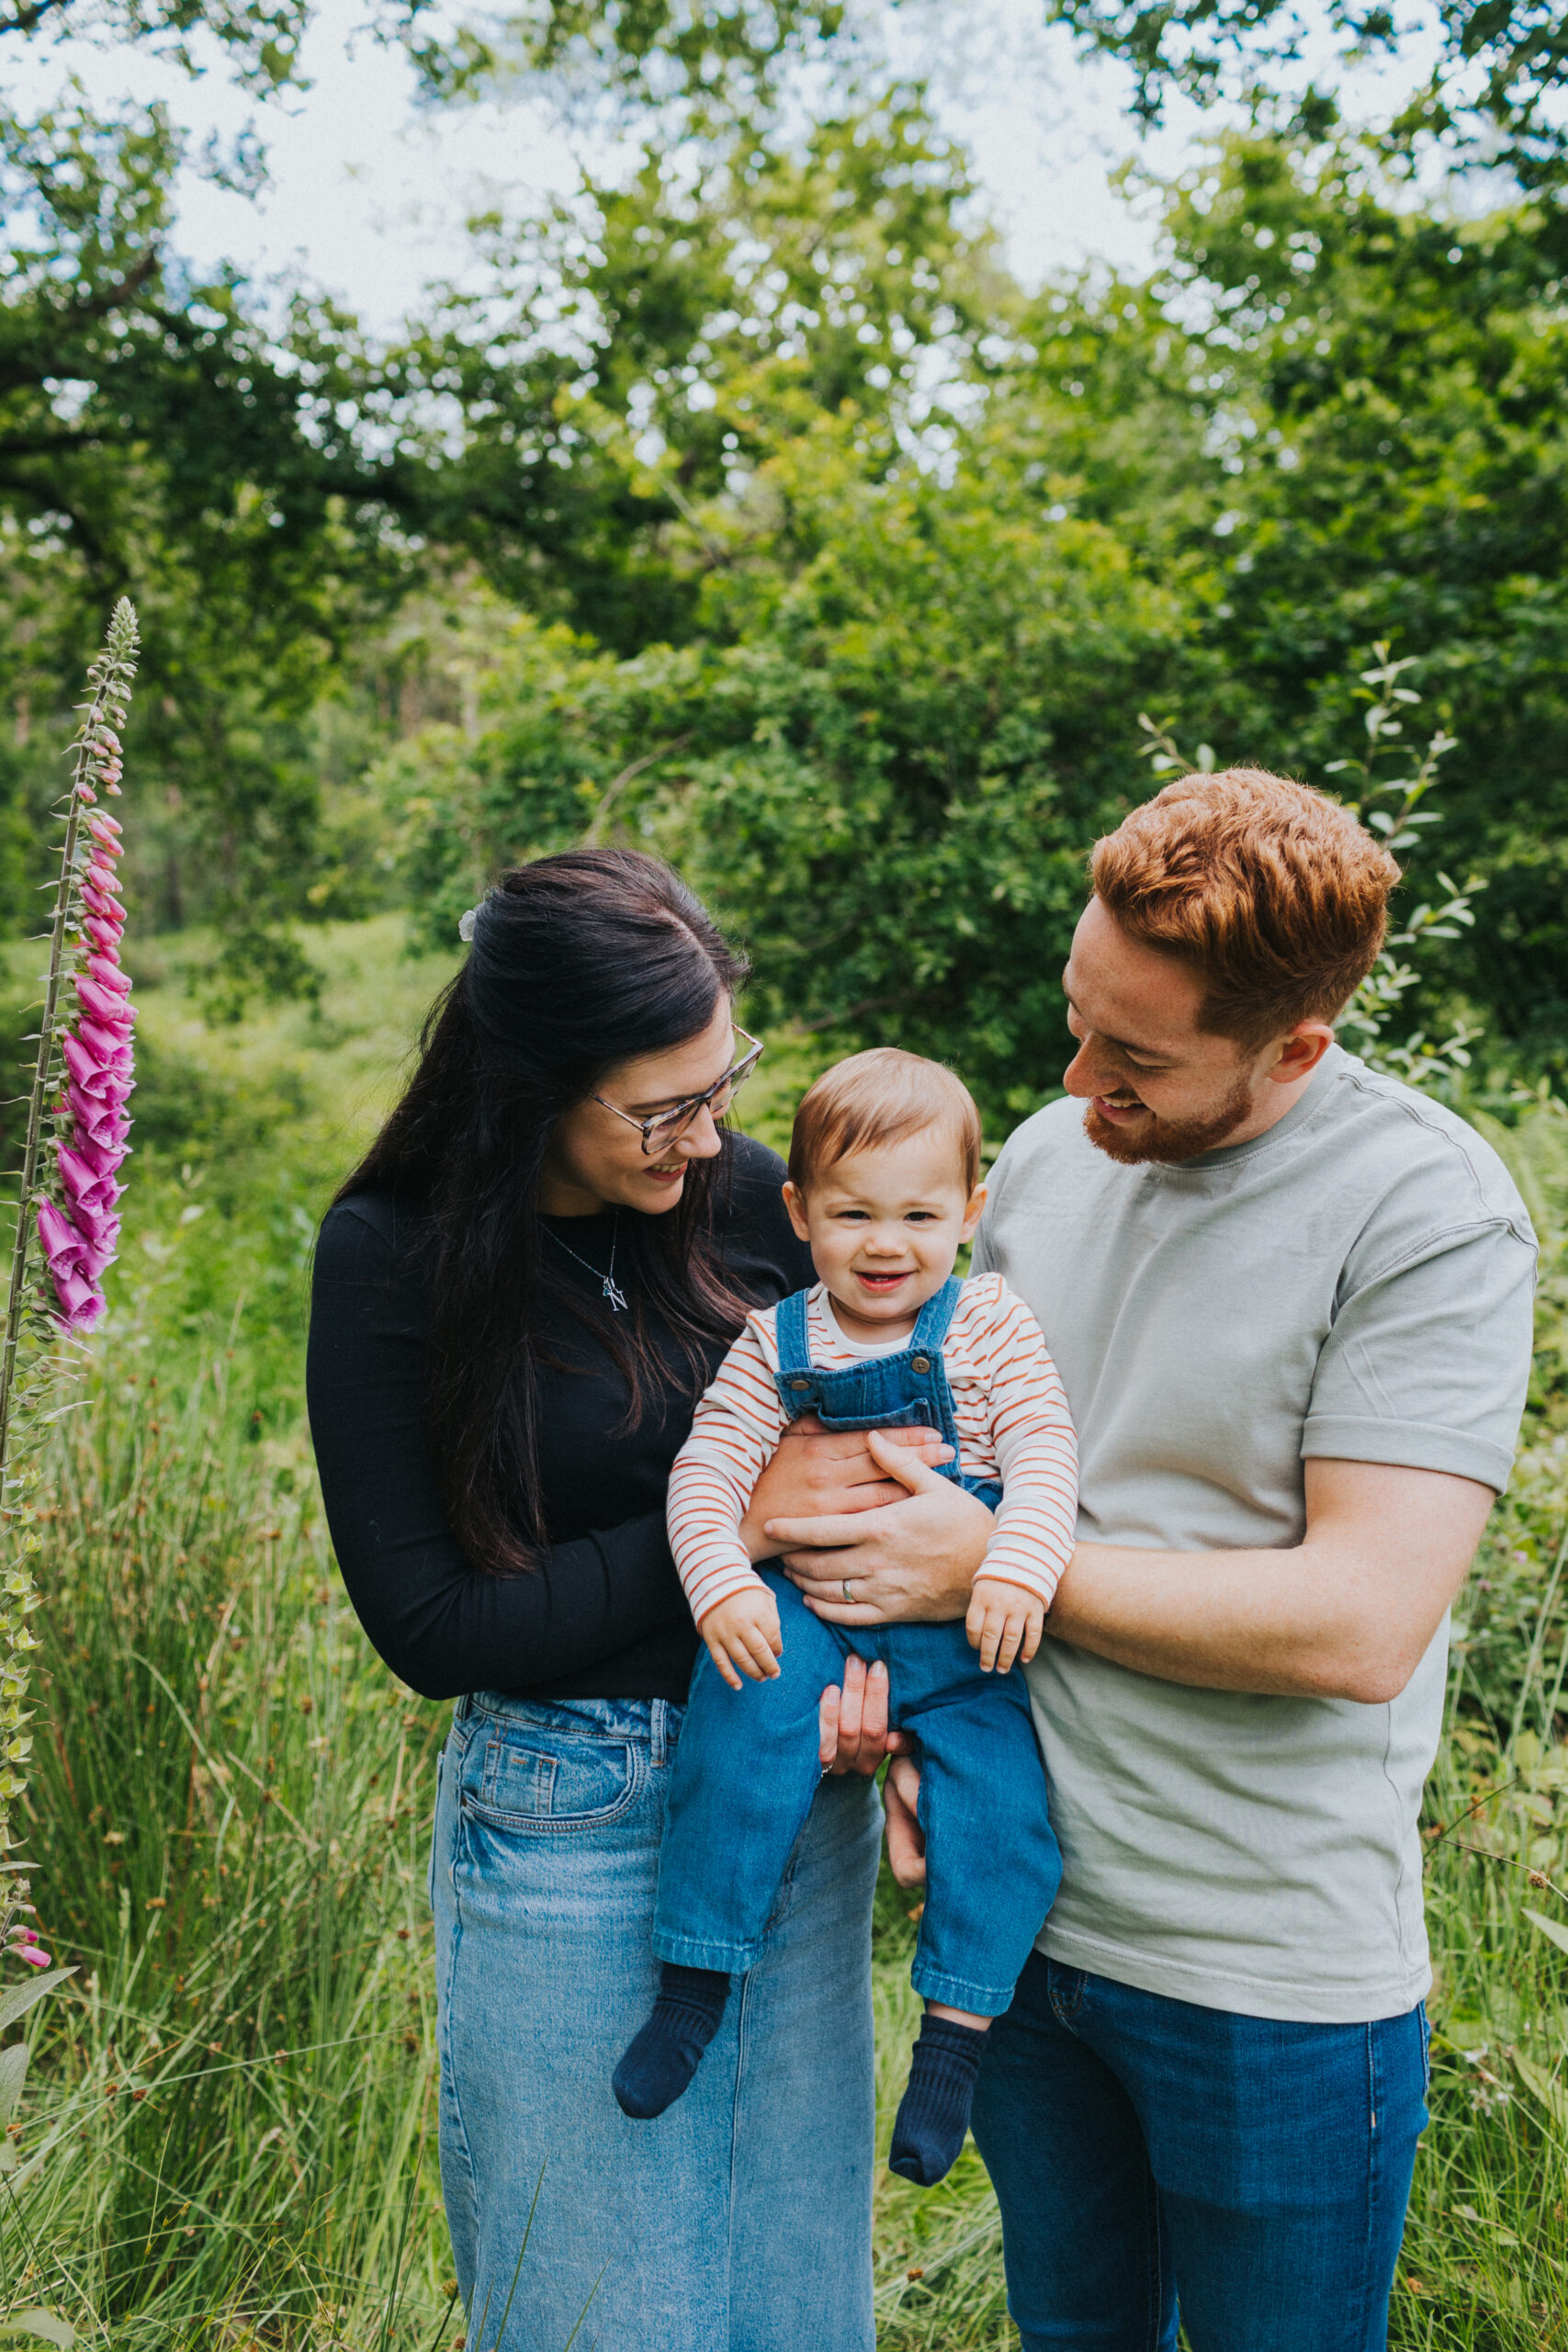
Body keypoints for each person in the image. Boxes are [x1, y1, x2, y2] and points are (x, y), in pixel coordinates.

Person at [760, 772, 1537, 2352]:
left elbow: (1360, 1621)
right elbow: (994, 1462)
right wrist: (916, 1724)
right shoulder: (1045, 1157)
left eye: (1133, 1054)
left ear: (1293, 1047)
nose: (1072, 1075)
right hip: (1025, 1920)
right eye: (1073, 1015)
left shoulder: (1426, 1212)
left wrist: (993, 1567)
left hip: (1265, 1972)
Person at [306, 850, 948, 2352]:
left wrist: (883, 1686)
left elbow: (888, 1459)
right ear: (532, 1084)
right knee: (603, 2318)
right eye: (662, 1110)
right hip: (564, 1825)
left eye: (722, 1082)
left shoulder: (751, 1206)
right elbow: (433, 1632)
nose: (707, 1133)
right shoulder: (392, 1254)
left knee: (797, 2309)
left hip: (793, 1796)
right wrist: (729, 1521)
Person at [611, 1049, 1077, 2185]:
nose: (885, 1243)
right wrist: (720, 1580)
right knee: (737, 1734)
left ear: (969, 1213)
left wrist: (1015, 1564)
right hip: (810, 1610)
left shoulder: (992, 1326)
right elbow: (707, 1475)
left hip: (965, 1639)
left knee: (1007, 1814)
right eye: (853, 1211)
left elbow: (1047, 1454)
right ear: (799, 1212)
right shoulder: (776, 1343)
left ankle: (955, 2044)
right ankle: (694, 1983)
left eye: (919, 1213)